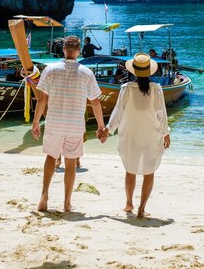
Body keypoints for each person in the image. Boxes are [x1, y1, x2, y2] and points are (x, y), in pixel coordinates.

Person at [31, 35, 106, 212]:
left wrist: (35, 122)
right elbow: (95, 102)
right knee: (71, 163)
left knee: (50, 157)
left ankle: (44, 195)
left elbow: (42, 99)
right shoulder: (86, 73)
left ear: (64, 50)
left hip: (54, 123)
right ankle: (66, 203)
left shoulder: (50, 70)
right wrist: (101, 127)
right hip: (74, 126)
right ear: (78, 51)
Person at [101, 53, 170, 218]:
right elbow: (162, 114)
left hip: (130, 135)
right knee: (149, 171)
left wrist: (108, 130)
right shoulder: (156, 89)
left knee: (130, 170)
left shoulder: (126, 88)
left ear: (134, 71)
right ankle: (142, 208)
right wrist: (165, 133)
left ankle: (129, 203)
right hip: (151, 134)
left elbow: (118, 112)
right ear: (150, 72)